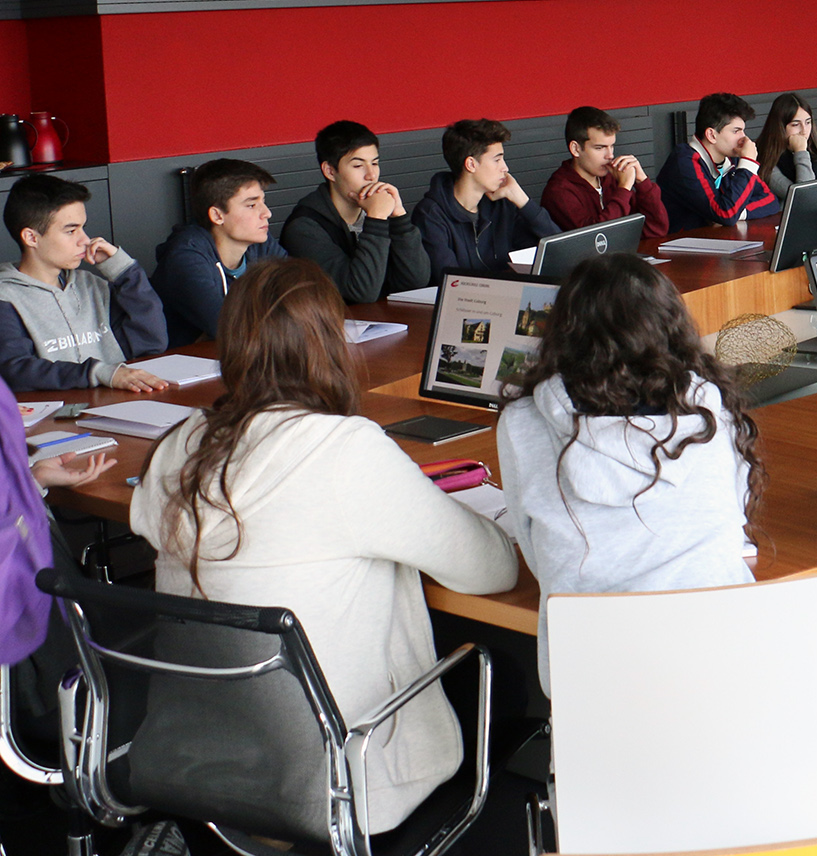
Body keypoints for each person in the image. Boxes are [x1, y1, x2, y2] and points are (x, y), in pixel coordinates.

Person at [130, 260, 517, 833]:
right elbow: (493, 569)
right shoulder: (342, 449)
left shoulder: (180, 444)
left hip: (203, 756)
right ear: (330, 343)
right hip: (340, 775)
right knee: (502, 675)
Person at [499, 254, 762, 695]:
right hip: (725, 679)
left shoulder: (524, 423)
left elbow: (536, 555)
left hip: (590, 691)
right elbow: (731, 516)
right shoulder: (712, 412)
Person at [0, 174, 168, 391]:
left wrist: (124, 271)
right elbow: (16, 371)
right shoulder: (6, 296)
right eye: (71, 231)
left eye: (82, 228)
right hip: (53, 419)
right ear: (31, 238)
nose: (85, 240)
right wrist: (97, 372)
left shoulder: (92, 285)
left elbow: (151, 342)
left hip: (117, 405)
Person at [279, 120, 432, 304]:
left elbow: (416, 281)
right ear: (330, 171)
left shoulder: (379, 210)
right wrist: (376, 220)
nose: (371, 175)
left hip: (386, 322)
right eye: (358, 166)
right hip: (332, 328)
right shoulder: (304, 227)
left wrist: (399, 217)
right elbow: (360, 292)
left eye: (375, 163)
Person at [152, 159, 287, 347]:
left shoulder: (258, 242)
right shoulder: (185, 257)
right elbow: (229, 328)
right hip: (183, 368)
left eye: (263, 202)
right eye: (251, 205)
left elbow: (302, 297)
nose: (267, 213)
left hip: (239, 356)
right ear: (217, 215)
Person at [414, 118, 560, 281]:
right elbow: (451, 282)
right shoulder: (430, 215)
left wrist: (523, 200)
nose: (505, 168)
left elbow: (556, 250)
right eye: (497, 159)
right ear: (471, 164)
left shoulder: (501, 205)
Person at [655, 93, 782, 231]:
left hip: (713, 242)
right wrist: (748, 163)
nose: (744, 139)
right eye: (736, 131)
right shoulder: (684, 162)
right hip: (676, 246)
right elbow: (725, 214)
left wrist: (740, 212)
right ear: (711, 135)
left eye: (743, 131)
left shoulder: (730, 158)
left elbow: (770, 200)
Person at [540, 106, 670, 239]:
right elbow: (598, 240)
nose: (610, 155)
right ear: (576, 149)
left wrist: (642, 182)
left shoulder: (612, 178)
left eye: (612, 146)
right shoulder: (559, 191)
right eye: (600, 148)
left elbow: (656, 230)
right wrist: (624, 189)